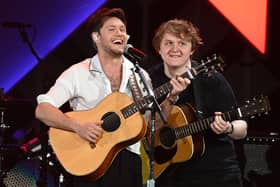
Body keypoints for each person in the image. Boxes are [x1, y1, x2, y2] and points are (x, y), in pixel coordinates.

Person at [35, 8, 189, 187]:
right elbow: (43, 109)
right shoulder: (78, 73)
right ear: (96, 37)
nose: (120, 33)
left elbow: (149, 127)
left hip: (129, 163)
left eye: (123, 29)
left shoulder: (139, 76)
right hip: (88, 161)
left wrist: (171, 98)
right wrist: (78, 127)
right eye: (112, 29)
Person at [148, 19, 248, 187]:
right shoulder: (149, 79)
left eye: (182, 43)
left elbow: (242, 127)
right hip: (168, 173)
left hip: (216, 173)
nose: (175, 49)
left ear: (192, 49)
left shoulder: (211, 79)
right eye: (168, 43)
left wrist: (228, 128)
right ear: (159, 48)